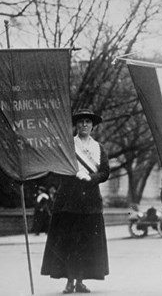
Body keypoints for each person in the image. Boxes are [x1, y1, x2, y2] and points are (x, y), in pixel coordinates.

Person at [41, 109, 110, 293]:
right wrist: (74, 173)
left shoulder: (99, 148)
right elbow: (57, 168)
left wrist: (92, 178)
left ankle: (80, 281)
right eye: (81, 122)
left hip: (90, 204)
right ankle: (69, 282)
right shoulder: (67, 146)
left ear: (92, 126)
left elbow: (105, 172)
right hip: (69, 201)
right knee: (70, 244)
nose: (84, 125)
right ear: (76, 125)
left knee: (86, 244)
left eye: (88, 122)